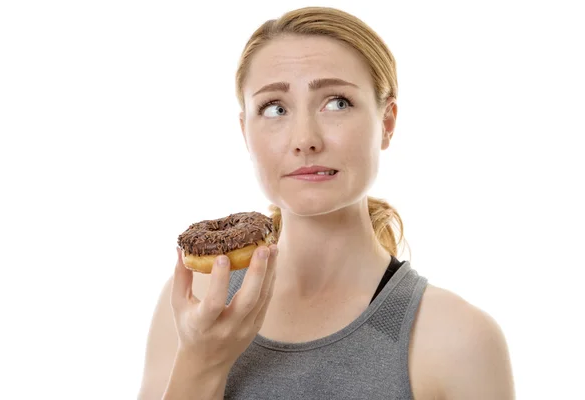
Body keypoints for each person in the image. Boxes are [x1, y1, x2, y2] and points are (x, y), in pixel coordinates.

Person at [138, 6, 515, 400]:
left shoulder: (458, 340)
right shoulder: (193, 305)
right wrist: (202, 361)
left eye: (337, 103)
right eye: (275, 108)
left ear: (386, 122)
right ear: (245, 133)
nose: (305, 138)